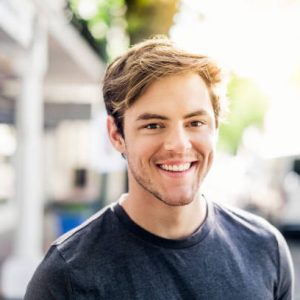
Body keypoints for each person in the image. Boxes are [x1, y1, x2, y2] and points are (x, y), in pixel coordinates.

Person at [25, 37, 294, 300]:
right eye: (153, 125)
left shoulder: (265, 248)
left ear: (215, 127)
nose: (179, 145)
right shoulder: (67, 276)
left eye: (195, 122)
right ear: (117, 135)